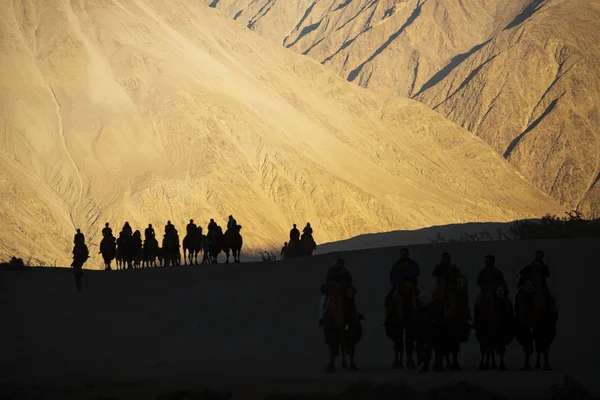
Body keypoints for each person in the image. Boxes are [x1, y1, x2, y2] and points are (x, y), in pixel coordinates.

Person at [318, 258, 353, 326]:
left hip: (343, 290)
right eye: (340, 263)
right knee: (323, 301)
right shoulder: (332, 270)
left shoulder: (345, 271)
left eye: (343, 263)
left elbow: (349, 280)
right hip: (332, 290)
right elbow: (328, 279)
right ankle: (321, 317)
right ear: (337, 263)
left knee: (350, 300)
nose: (341, 265)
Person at [474, 255, 506, 324]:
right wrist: (483, 286)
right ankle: (476, 320)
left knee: (507, 301)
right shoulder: (482, 272)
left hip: (496, 293)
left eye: (488, 261)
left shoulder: (498, 272)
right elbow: (478, 281)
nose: (486, 263)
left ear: (492, 262)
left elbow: (502, 282)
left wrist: (500, 288)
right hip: (485, 292)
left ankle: (509, 317)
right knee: (478, 302)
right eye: (486, 261)